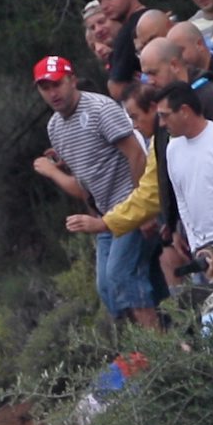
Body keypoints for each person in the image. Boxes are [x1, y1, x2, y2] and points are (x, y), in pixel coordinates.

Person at [32, 53, 158, 325]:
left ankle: (158, 341)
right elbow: (84, 181)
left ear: (72, 80)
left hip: (128, 205)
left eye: (57, 84)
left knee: (121, 274)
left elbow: (137, 155)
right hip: (104, 215)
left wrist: (143, 211)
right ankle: (141, 341)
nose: (53, 93)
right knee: (106, 288)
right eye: (45, 87)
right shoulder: (55, 127)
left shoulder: (100, 109)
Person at [142, 81, 213, 291]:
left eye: (165, 115)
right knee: (211, 308)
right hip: (204, 250)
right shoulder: (172, 148)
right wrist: (195, 244)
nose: (161, 123)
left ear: (185, 111)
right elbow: (182, 199)